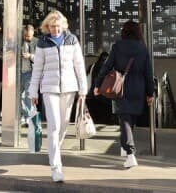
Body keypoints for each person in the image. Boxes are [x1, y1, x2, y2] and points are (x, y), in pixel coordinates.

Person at [29, 10, 87, 182]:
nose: (56, 29)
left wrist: (83, 89)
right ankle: (56, 167)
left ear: (64, 26)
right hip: (49, 88)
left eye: (58, 26)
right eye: (52, 26)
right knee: (54, 125)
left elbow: (79, 65)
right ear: (47, 27)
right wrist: (33, 91)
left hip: (69, 88)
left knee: (63, 125)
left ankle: (55, 149)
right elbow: (37, 68)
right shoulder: (42, 43)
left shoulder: (72, 40)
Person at [92, 21, 154, 168]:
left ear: (124, 32)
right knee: (130, 120)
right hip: (138, 88)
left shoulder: (117, 46)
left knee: (124, 119)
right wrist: (150, 93)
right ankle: (125, 148)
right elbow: (148, 73)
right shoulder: (143, 49)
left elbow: (107, 66)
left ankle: (130, 153)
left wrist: (98, 84)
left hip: (120, 87)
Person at [86, 51, 114, 125]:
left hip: (93, 97)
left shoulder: (92, 66)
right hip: (106, 98)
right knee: (105, 119)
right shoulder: (110, 68)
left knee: (94, 120)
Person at [21, 25, 36, 124]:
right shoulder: (18, 42)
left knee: (28, 95)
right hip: (18, 72)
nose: (27, 37)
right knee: (18, 96)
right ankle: (24, 114)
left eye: (29, 36)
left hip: (30, 72)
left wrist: (30, 56)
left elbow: (41, 58)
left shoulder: (37, 42)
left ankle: (27, 116)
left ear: (33, 33)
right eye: (25, 35)